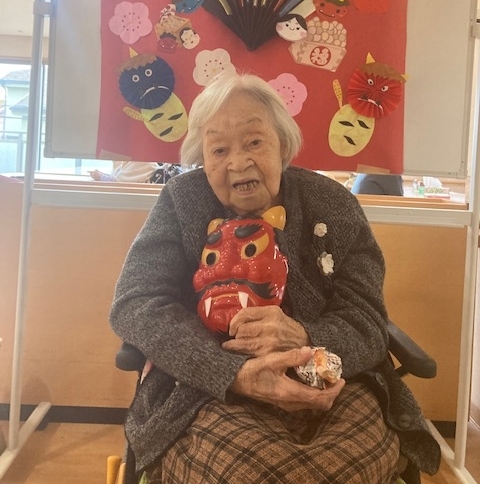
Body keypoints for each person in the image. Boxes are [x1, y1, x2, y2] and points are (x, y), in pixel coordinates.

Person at [109, 72, 440, 483]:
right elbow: (137, 302)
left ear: (282, 144)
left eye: (254, 142)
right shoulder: (182, 202)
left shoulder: (333, 204)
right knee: (248, 473)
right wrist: (231, 373)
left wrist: (304, 336)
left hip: (337, 381)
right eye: (219, 149)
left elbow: (366, 318)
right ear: (203, 159)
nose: (238, 163)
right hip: (208, 388)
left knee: (341, 468)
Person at [89, 160, 159, 183]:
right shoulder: (128, 161)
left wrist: (102, 177)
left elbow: (119, 183)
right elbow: (117, 178)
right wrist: (102, 175)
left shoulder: (144, 162)